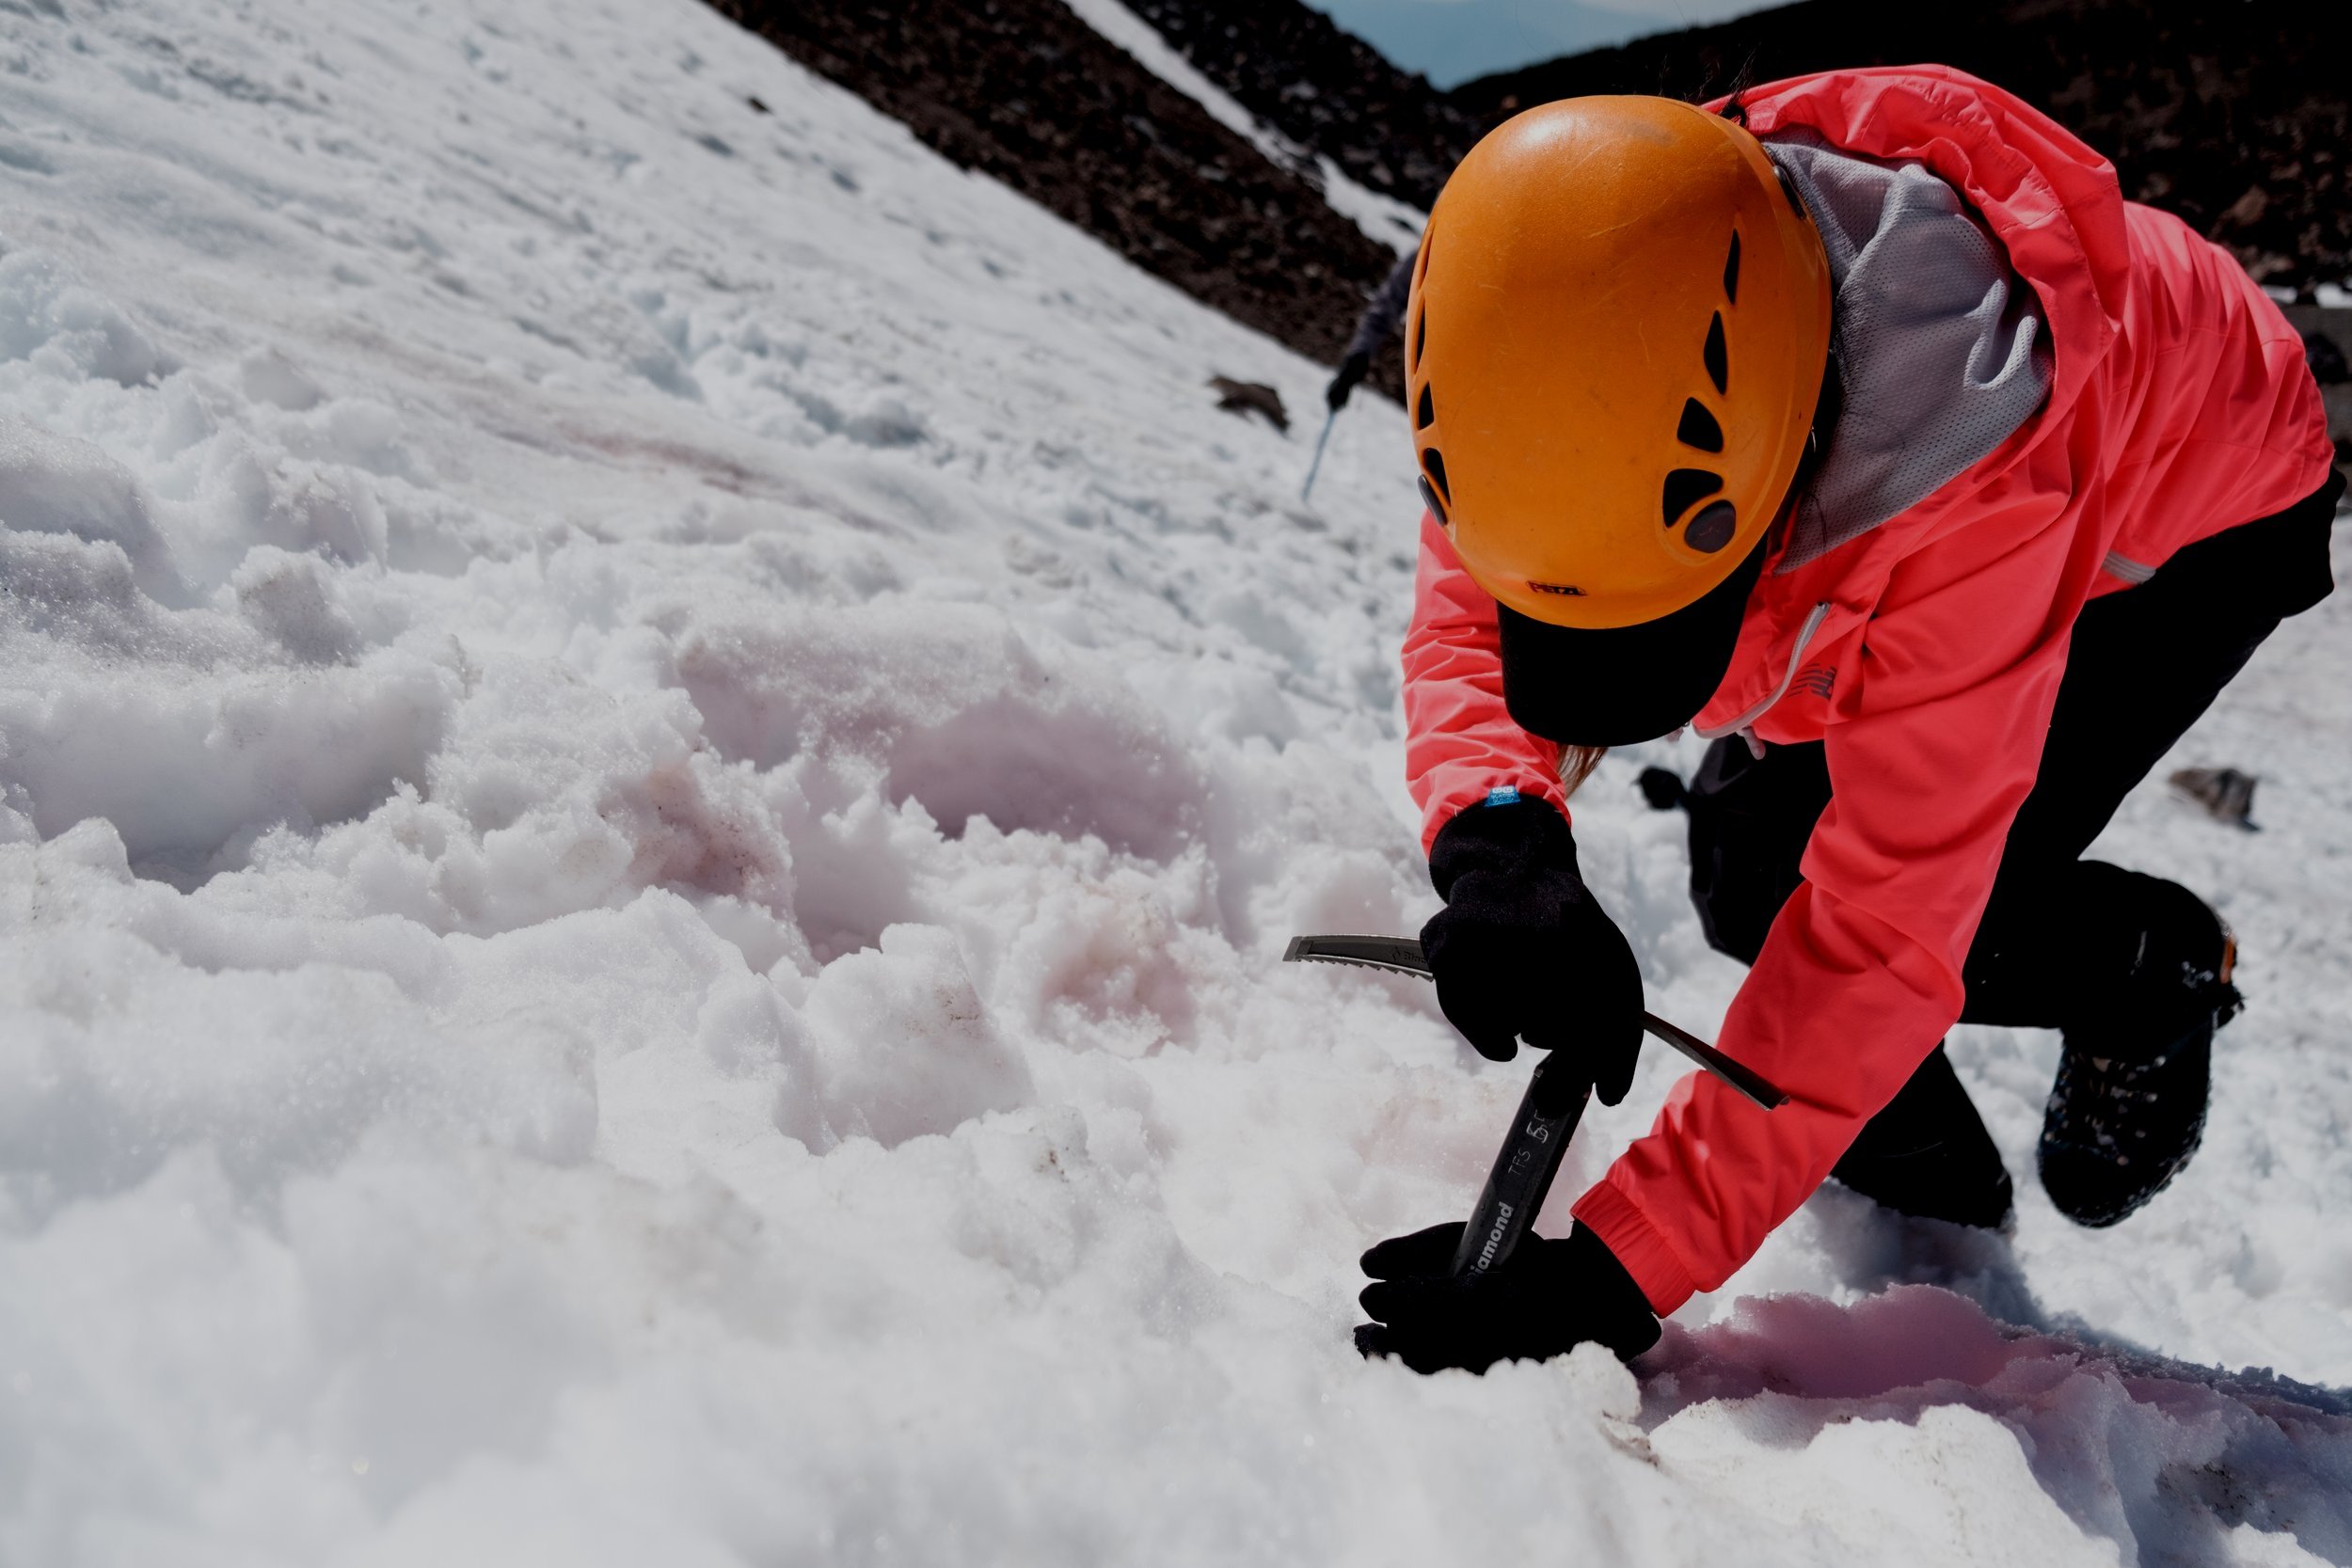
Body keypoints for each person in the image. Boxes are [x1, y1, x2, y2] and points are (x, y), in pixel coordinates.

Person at [1355, 68, 2339, 1376]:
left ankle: (2141, 966)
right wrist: (1499, 844)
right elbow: (1478, 601)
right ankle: (1933, 1211)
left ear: (1771, 457)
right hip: (1943, 466)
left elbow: (1885, 922)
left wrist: (1617, 1262)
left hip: (2198, 510)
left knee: (1913, 891)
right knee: (1746, 863)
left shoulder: (1971, 476)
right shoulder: (1570, 302)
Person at [1326, 248, 1418, 412]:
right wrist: (1357, 359)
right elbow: (1383, 311)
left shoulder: (1429, 254)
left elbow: (1384, 309)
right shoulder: (1428, 256)